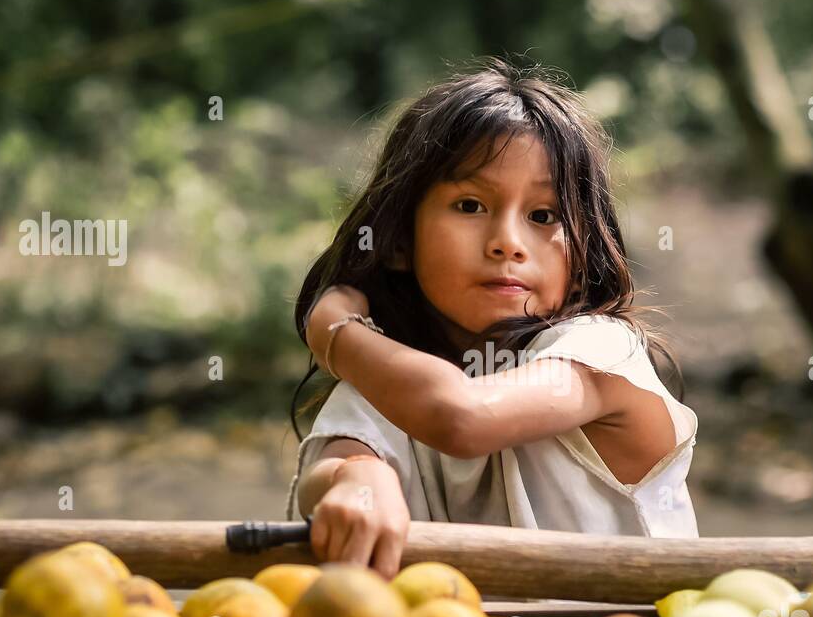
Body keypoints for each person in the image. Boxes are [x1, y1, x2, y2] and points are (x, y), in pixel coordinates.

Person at [287, 57, 698, 579]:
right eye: (469, 205)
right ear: (397, 243)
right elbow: (330, 472)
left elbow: (461, 418)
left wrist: (334, 331)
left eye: (543, 216)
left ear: (581, 264)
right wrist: (359, 477)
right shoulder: (385, 388)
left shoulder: (599, 353)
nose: (508, 241)